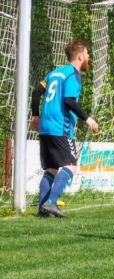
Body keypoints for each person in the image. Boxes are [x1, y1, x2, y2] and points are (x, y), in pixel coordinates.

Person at [30, 40, 99, 218]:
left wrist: (36, 115)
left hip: (46, 126)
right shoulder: (73, 75)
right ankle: (51, 203)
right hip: (60, 127)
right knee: (70, 165)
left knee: (52, 168)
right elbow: (69, 100)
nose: (88, 57)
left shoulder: (54, 73)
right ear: (80, 56)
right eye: (87, 54)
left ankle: (42, 209)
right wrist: (87, 119)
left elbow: (37, 92)